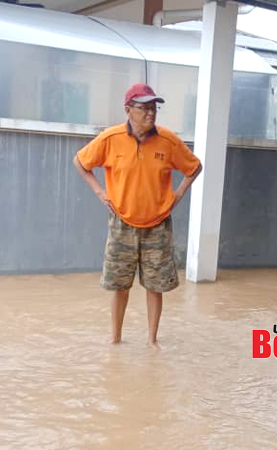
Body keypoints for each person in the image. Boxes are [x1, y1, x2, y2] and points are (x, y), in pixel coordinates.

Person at [73, 83, 202, 348]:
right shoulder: (110, 139)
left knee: (155, 286)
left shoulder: (168, 141)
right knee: (119, 285)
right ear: (128, 109)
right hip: (122, 222)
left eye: (154, 108)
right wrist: (100, 192)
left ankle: (152, 340)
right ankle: (115, 338)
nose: (150, 113)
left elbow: (194, 166)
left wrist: (177, 196)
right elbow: (81, 162)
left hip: (157, 225)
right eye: (144, 108)